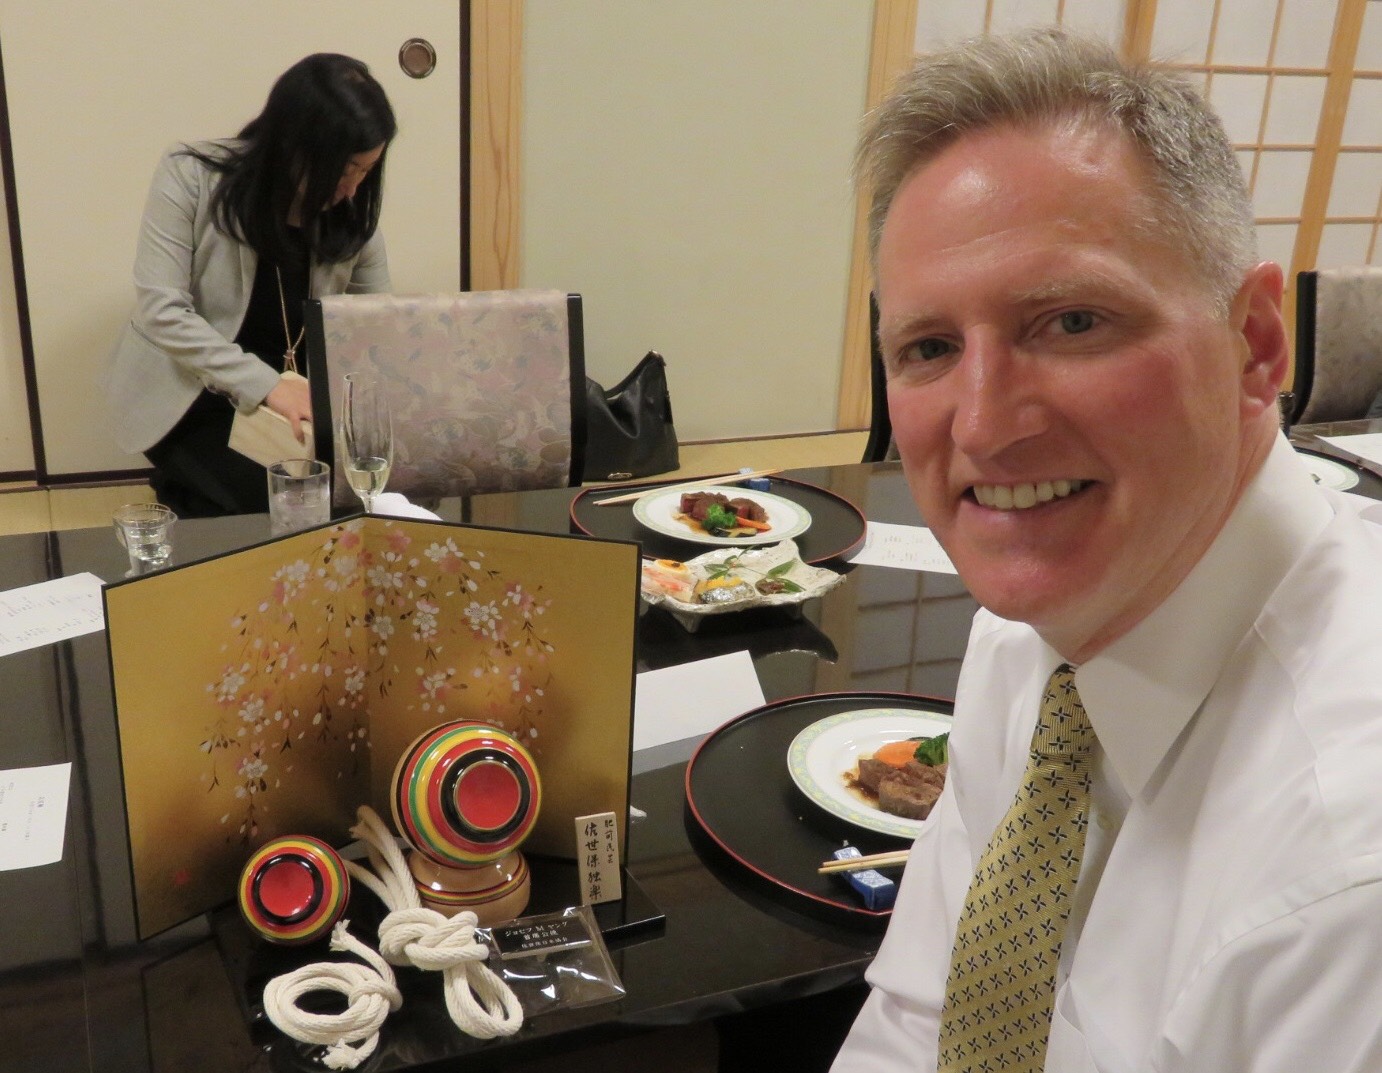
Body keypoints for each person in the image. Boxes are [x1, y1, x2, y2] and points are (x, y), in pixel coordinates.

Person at [832, 27, 1382, 1073]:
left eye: (1071, 321)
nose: (983, 425)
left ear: (1256, 344)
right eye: (929, 347)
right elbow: (916, 1013)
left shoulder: (1343, 881)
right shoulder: (1030, 638)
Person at [104, 52, 396, 517]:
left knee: (373, 494)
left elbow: (376, 324)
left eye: (366, 170)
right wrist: (266, 386)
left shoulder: (352, 213)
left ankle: (197, 496)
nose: (353, 189)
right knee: (283, 505)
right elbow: (163, 311)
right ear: (294, 145)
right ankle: (186, 488)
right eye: (345, 170)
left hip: (300, 404)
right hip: (196, 392)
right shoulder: (191, 175)